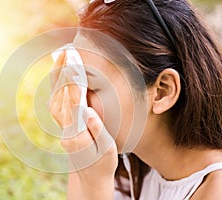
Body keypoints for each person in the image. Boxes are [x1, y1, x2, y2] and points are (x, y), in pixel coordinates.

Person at [49, 0, 222, 199]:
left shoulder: (215, 190)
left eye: (90, 87)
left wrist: (94, 185)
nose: (75, 99)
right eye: (74, 82)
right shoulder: (133, 163)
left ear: (162, 92)